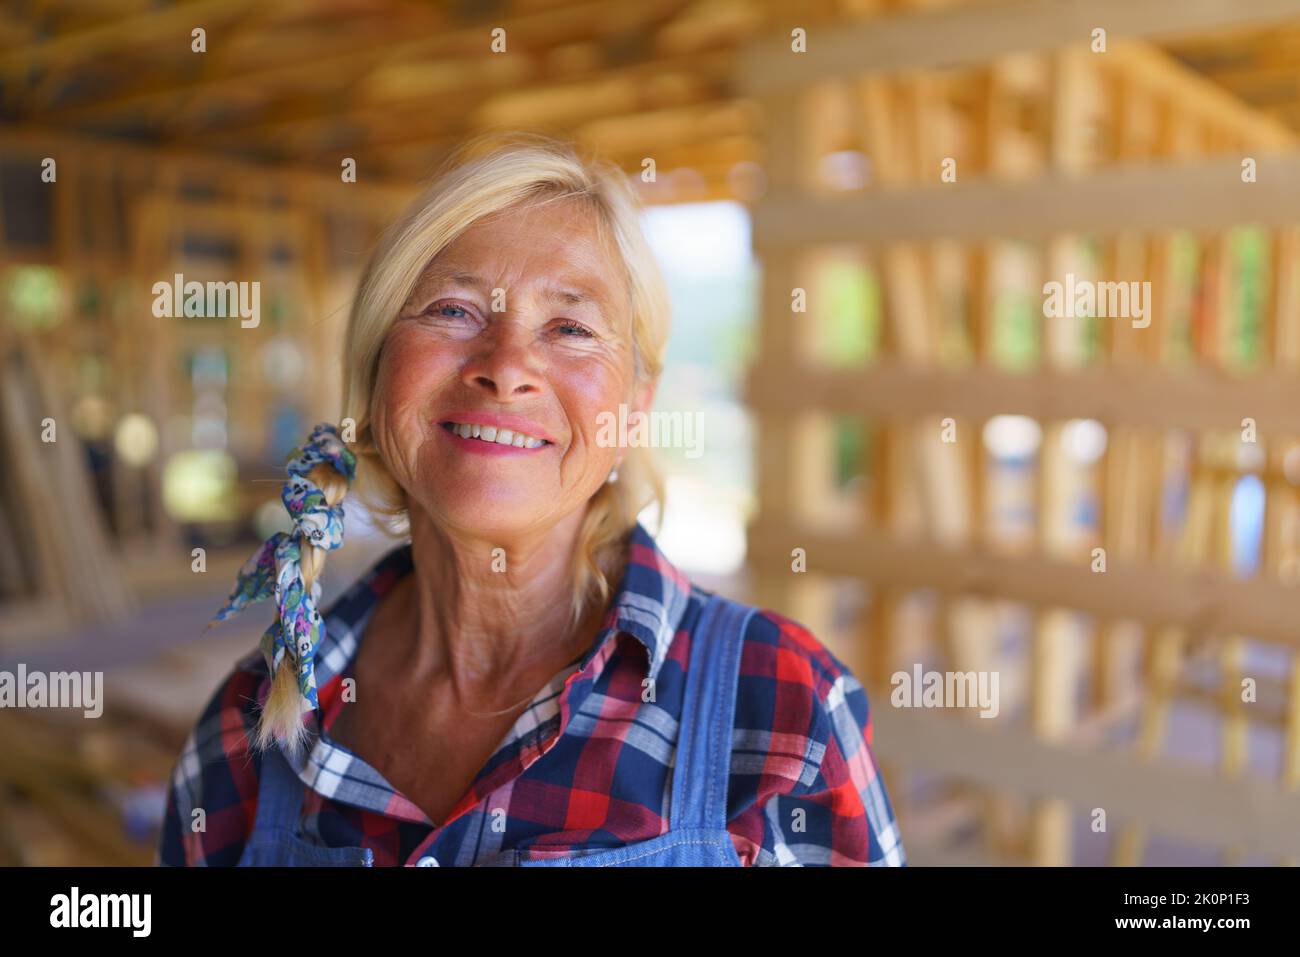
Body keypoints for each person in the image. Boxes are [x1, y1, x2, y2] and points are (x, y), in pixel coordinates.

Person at [157, 132, 905, 867]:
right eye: (454, 310)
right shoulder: (250, 728)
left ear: (634, 408)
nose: (507, 367)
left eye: (571, 327)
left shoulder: (782, 712)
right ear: (378, 369)